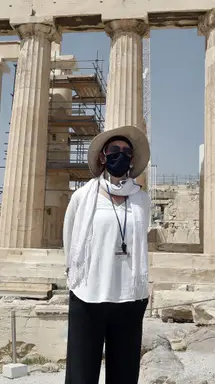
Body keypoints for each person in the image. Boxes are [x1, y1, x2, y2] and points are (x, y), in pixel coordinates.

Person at [63, 125, 152, 384]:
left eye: (126, 151)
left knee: (124, 374)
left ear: (132, 159)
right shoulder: (83, 196)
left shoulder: (141, 200)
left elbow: (140, 237)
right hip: (88, 293)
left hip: (129, 297)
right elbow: (69, 238)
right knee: (81, 374)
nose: (120, 154)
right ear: (103, 156)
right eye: (114, 149)